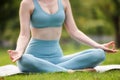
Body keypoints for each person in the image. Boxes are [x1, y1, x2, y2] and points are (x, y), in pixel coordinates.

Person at [8, 0, 117, 73]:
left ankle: (54, 69)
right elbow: (24, 34)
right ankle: (69, 71)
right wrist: (19, 51)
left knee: (98, 53)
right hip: (36, 57)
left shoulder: (64, 1)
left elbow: (74, 31)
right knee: (24, 60)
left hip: (58, 58)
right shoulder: (27, 3)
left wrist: (98, 45)